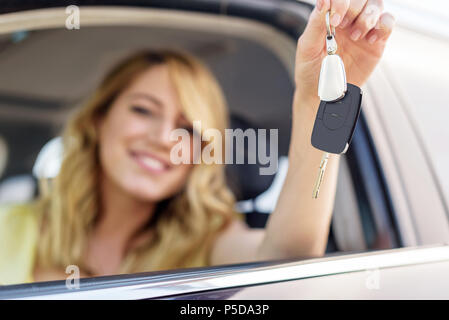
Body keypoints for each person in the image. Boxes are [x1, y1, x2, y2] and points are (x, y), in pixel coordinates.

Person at [0, 0, 395, 285]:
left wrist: (317, 102)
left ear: (202, 153)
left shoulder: (208, 242)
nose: (162, 138)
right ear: (100, 119)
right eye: (143, 110)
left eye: (187, 129)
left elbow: (288, 256)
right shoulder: (10, 225)